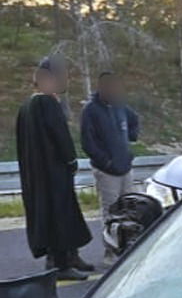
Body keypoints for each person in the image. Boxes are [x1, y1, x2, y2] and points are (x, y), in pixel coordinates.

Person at [15, 56, 92, 280]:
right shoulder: (46, 103)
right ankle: (62, 265)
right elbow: (60, 136)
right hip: (54, 173)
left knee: (52, 215)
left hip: (37, 175)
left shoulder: (26, 106)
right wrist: (71, 160)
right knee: (60, 215)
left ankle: (68, 256)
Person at [80, 71, 140, 249]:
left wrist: (130, 141)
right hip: (106, 172)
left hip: (125, 168)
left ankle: (128, 247)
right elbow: (87, 143)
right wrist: (105, 162)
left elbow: (134, 120)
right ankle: (111, 251)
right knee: (111, 213)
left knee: (130, 209)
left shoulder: (121, 107)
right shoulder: (91, 110)